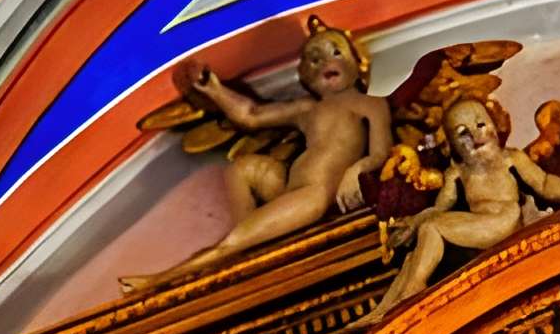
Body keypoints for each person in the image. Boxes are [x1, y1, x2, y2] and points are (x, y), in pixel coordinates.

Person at [122, 21, 392, 295]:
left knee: (230, 243)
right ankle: (253, 246)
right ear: (304, 77)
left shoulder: (370, 104)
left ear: (358, 62)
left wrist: (356, 170)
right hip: (290, 186)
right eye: (314, 59)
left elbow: (381, 152)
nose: (324, 61)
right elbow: (251, 115)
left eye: (336, 51)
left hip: (315, 194)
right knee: (243, 168)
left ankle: (157, 282)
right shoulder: (307, 109)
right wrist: (214, 90)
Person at [375, 95, 560, 315]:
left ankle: (414, 287)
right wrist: (414, 222)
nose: (475, 135)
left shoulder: (510, 158)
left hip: (505, 220)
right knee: (421, 241)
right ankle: (395, 301)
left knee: (433, 228)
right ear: (452, 147)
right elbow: (440, 208)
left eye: (480, 124)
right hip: (481, 224)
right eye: (462, 133)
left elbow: (544, 183)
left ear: (496, 127)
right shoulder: (457, 173)